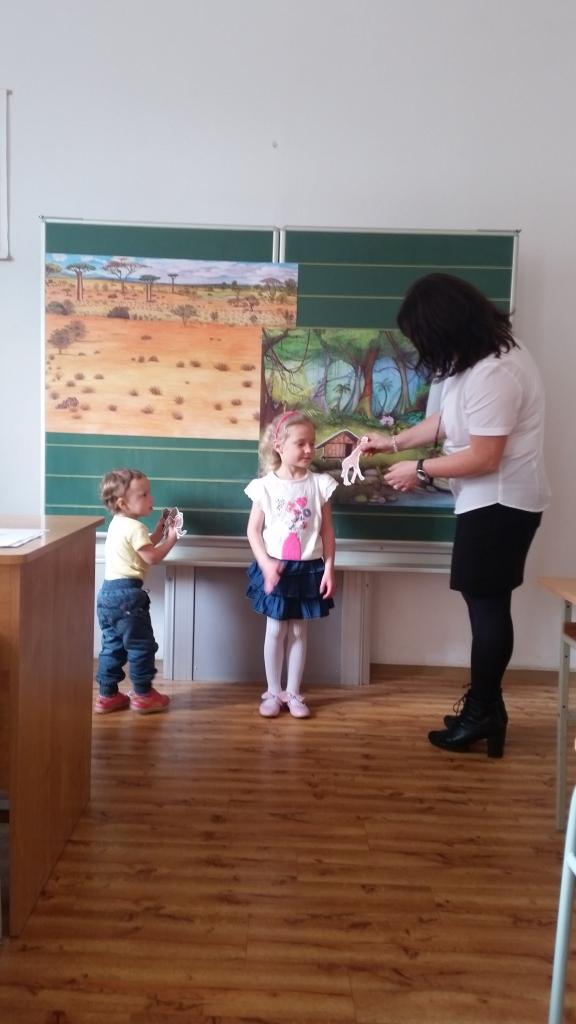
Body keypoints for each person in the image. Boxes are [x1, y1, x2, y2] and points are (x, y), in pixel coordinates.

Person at [360, 273, 550, 757]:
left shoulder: (497, 371)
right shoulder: (469, 362)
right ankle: (486, 708)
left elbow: (485, 456)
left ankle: (483, 711)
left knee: (487, 607)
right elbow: (446, 420)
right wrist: (393, 443)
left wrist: (420, 470)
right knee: (482, 603)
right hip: (485, 502)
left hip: (503, 503)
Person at [245, 411, 338, 718]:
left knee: (298, 632)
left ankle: (294, 692)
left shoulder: (320, 484)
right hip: (277, 569)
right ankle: (274, 692)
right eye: (301, 443)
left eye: (312, 443)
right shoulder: (265, 486)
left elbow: (327, 531)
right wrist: (266, 565)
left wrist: (329, 567)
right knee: (275, 630)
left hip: (308, 569)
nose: (309, 449)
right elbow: (253, 531)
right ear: (279, 446)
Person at [94, 468, 179, 714]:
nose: (151, 498)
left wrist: (161, 529)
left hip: (107, 595)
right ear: (123, 503)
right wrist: (172, 538)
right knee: (141, 645)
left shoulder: (118, 524)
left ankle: (107, 695)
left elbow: (143, 546)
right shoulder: (135, 527)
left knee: (112, 646)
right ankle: (143, 694)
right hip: (128, 597)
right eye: (143, 495)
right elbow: (152, 557)